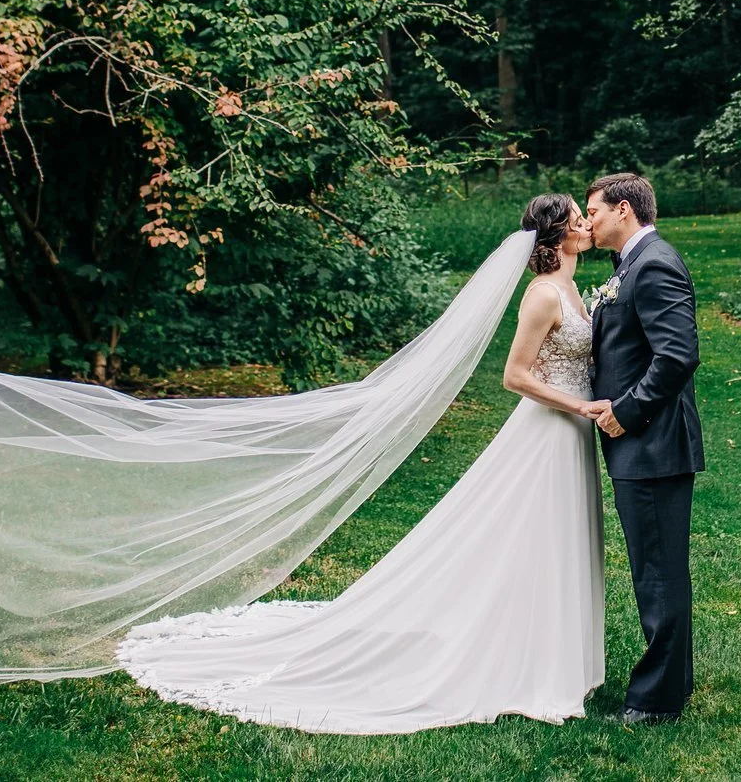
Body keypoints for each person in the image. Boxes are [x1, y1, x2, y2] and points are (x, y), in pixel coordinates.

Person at [115, 193, 613, 733]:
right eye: (577, 217)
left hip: (570, 432)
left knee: (558, 537)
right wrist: (579, 406)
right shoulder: (543, 295)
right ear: (558, 233)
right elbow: (515, 376)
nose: (587, 223)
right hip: (548, 430)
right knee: (533, 537)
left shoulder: (572, 289)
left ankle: (552, 658)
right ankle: (524, 664)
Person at [583, 171, 704, 724]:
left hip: (653, 442)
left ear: (624, 210)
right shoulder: (628, 265)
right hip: (643, 445)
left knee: (658, 572)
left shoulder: (654, 264)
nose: (589, 222)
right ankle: (672, 684)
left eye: (594, 211)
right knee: (656, 568)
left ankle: (657, 701)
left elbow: (677, 356)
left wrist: (625, 412)